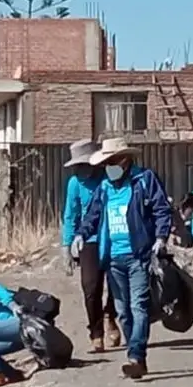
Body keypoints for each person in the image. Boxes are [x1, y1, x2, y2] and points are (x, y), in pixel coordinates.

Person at [72, 138, 173, 379]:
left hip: (138, 255)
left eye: (113, 161)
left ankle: (136, 355)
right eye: (106, 162)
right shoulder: (105, 187)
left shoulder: (144, 180)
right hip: (112, 257)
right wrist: (80, 235)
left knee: (139, 307)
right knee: (123, 311)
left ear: (125, 161)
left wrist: (161, 237)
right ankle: (135, 354)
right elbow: (92, 216)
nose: (109, 166)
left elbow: (161, 208)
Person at [61, 139, 121, 353]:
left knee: (117, 284)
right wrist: (66, 247)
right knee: (91, 288)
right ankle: (96, 331)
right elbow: (71, 215)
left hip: (114, 237)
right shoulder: (74, 184)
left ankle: (111, 315)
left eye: (83, 165)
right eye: (77, 166)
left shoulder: (109, 177)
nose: (79, 170)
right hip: (89, 240)